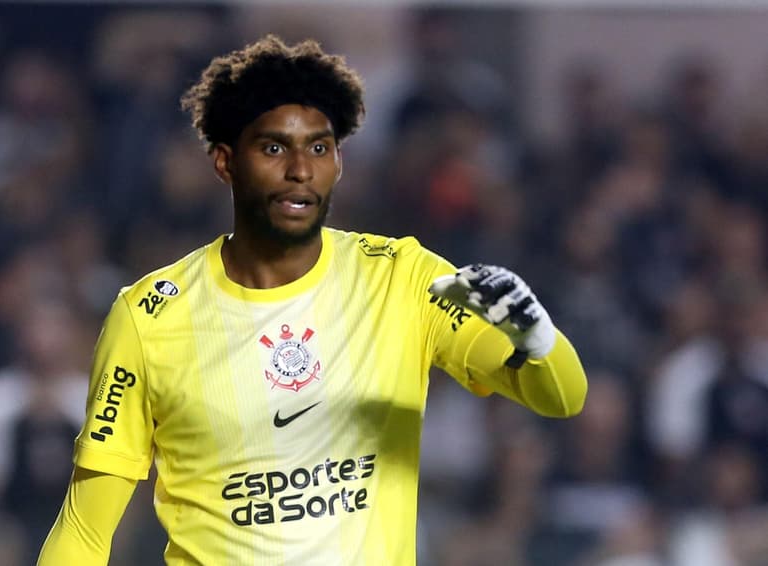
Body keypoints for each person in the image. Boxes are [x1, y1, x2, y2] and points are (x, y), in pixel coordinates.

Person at [37, 34, 587, 565]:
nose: (300, 169)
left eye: (318, 148)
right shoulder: (149, 315)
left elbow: (563, 397)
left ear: (338, 163)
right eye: (274, 147)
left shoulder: (403, 277)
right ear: (225, 162)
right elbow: (85, 528)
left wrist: (536, 338)